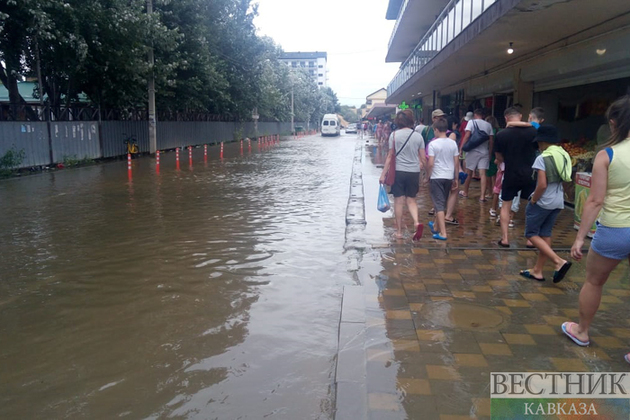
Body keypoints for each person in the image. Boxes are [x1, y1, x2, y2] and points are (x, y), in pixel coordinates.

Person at [562, 96, 630, 356]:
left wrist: (580, 238)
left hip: (615, 229)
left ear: (614, 123)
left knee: (594, 282)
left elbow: (595, 200)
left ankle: (582, 331)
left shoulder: (608, 155)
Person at [519, 125, 573, 282]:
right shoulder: (563, 155)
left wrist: (534, 199)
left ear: (542, 142)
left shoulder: (543, 158)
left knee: (531, 234)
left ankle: (558, 261)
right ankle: (538, 270)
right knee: (545, 234)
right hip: (557, 201)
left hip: (543, 201)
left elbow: (542, 184)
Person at [379, 110, 428, 240]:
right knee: (411, 200)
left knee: (399, 201)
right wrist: (427, 174)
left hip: (398, 173)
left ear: (398, 122)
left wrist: (383, 174)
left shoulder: (394, 135)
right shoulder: (418, 136)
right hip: (413, 172)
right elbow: (423, 158)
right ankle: (416, 222)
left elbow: (390, 156)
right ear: (411, 121)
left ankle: (399, 232)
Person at [494, 107, 538, 247]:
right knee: (532, 205)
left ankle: (505, 238)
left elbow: (499, 157)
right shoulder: (533, 131)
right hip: (530, 173)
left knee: (506, 205)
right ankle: (530, 240)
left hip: (511, 173)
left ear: (506, 118)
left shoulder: (501, 135)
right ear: (520, 116)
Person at [427, 118, 459, 240]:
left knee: (439, 205)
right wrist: (455, 178)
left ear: (436, 129)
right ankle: (435, 226)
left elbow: (430, 163)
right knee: (441, 202)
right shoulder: (453, 143)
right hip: (449, 176)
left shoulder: (433, 144)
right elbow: (456, 162)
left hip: (437, 176)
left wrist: (427, 176)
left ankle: (443, 232)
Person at [459, 108, 494, 201]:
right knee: (483, 174)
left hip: (472, 151)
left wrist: (461, 148)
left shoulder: (471, 122)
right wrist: (490, 153)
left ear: (475, 115)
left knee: (469, 172)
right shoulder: (488, 125)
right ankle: (482, 196)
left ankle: (465, 192)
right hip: (484, 152)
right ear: (483, 115)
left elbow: (467, 136)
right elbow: (491, 141)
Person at [485, 115, 500, 201]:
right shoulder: (499, 131)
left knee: (488, 175)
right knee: (496, 175)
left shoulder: (489, 133)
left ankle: (490, 192)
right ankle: (496, 193)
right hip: (498, 155)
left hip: (490, 154)